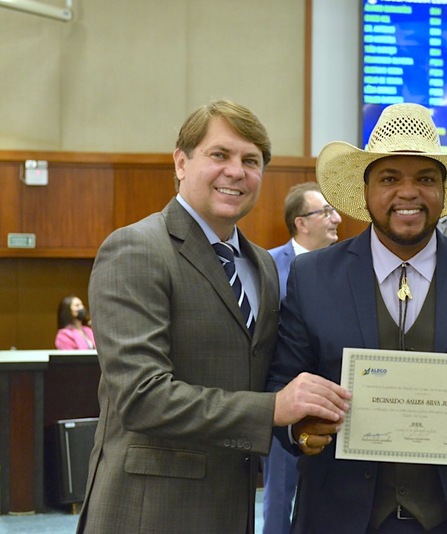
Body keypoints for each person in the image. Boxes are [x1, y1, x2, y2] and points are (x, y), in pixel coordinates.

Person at [76, 99, 351, 534]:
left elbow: (263, 381)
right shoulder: (136, 249)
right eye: (219, 154)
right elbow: (142, 397)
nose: (236, 171)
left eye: (251, 160)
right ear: (181, 163)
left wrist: (299, 426)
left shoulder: (262, 266)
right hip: (149, 513)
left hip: (232, 508)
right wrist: (274, 409)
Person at [266, 102, 447, 533]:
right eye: (390, 178)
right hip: (340, 517)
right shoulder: (312, 276)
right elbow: (281, 386)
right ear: (366, 191)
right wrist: (299, 429)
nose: (408, 193)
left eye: (425, 179)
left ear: (444, 190)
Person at [261, 181, 342, 534]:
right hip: (284, 398)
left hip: (336, 400)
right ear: (301, 222)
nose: (337, 219)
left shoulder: (344, 267)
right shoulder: (266, 265)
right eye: (326, 212)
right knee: (279, 496)